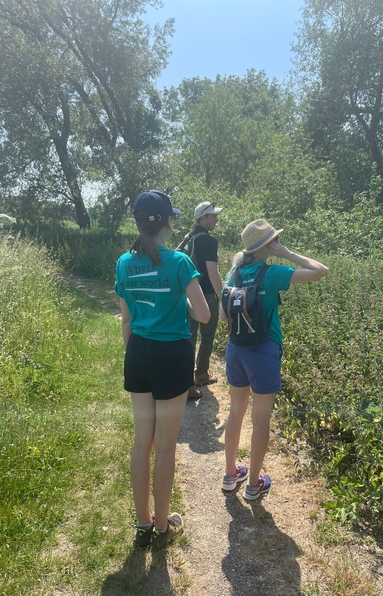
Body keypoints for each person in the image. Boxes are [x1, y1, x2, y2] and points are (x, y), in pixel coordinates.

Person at [115, 190, 210, 550]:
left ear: (140, 223)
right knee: (165, 448)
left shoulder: (124, 262)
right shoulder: (180, 262)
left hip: (137, 352)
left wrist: (135, 355)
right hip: (171, 355)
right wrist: (178, 295)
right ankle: (161, 525)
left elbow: (126, 318)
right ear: (169, 221)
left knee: (142, 443)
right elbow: (202, 315)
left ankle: (142, 523)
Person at [220, 219, 329, 500]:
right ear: (269, 245)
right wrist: (288, 254)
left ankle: (230, 474)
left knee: (235, 411)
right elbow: (320, 271)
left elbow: (223, 316)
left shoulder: (234, 273)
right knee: (260, 419)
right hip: (263, 351)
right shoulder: (272, 273)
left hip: (236, 349)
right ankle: (254, 484)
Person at [186, 201, 224, 400]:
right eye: (213, 216)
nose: (216, 219)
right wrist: (224, 296)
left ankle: (186, 382)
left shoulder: (188, 238)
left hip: (187, 295)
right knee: (207, 335)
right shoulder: (209, 242)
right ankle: (200, 374)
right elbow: (212, 272)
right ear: (203, 218)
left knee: (189, 337)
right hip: (206, 296)